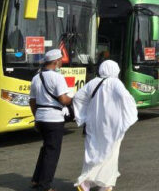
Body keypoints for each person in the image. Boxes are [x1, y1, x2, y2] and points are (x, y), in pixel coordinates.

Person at [72, 60, 138, 191]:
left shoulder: (93, 82)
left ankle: (87, 183)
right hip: (111, 124)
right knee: (111, 151)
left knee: (93, 151)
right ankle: (104, 184)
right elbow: (127, 98)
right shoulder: (115, 82)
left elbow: (78, 97)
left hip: (93, 123)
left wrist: (83, 116)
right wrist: (128, 115)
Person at [30, 49, 74, 191]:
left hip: (41, 117)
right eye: (61, 60)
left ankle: (36, 180)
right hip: (54, 119)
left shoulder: (36, 77)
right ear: (55, 62)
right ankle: (45, 186)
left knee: (46, 149)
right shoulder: (57, 77)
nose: (61, 62)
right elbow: (63, 99)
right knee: (52, 153)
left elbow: (32, 101)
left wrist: (36, 117)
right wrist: (74, 98)